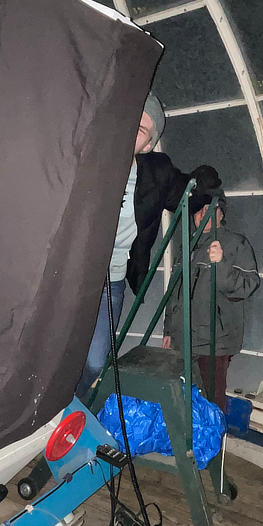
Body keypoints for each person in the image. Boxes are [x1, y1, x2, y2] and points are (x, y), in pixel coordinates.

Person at [74, 92, 218, 399]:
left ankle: (71, 406)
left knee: (96, 360)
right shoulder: (88, 154)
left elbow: (186, 195)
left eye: (140, 129)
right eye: (129, 120)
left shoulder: (156, 172)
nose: (130, 130)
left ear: (149, 144)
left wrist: (203, 186)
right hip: (69, 275)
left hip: (111, 282)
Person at [162, 192, 260, 412]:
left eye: (210, 209)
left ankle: (214, 436)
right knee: (181, 401)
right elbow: (174, 291)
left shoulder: (235, 244)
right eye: (199, 209)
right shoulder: (188, 245)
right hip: (181, 341)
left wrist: (221, 264)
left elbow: (248, 285)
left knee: (211, 404)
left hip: (213, 343)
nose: (203, 214)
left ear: (221, 214)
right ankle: (187, 435)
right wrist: (169, 330)